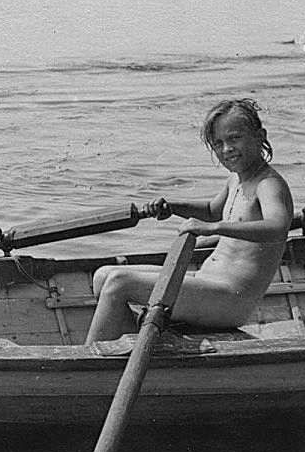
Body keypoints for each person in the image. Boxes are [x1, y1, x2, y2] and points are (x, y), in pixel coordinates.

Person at [84, 99, 293, 344]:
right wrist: (172, 207)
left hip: (229, 301)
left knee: (119, 284)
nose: (227, 149)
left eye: (234, 138)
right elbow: (211, 209)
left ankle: (88, 359)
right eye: (218, 143)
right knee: (103, 276)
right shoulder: (236, 180)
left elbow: (278, 226)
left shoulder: (269, 184)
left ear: (260, 136)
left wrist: (212, 228)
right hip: (205, 282)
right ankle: (139, 350)